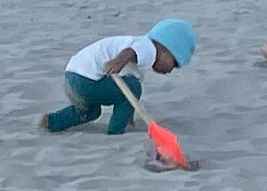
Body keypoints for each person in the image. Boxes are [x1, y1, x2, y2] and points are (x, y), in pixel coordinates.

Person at [41, 18, 195, 135]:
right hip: (87, 79)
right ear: (167, 49)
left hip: (72, 76)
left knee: (90, 111)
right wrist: (118, 62)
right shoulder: (148, 46)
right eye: (174, 63)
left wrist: (129, 116)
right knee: (133, 88)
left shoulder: (139, 59)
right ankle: (115, 131)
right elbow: (129, 53)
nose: (170, 70)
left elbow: (130, 100)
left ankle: (51, 122)